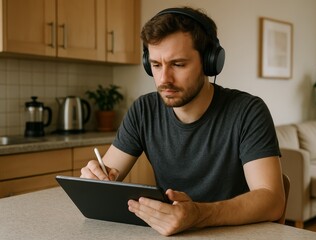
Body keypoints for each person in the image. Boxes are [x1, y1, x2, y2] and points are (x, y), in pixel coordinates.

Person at [81, 6, 285, 236]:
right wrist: (96, 179)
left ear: (210, 62)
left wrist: (198, 214)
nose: (164, 79)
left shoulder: (248, 111)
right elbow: (108, 175)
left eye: (178, 64)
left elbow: (272, 199)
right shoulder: (143, 110)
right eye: (156, 65)